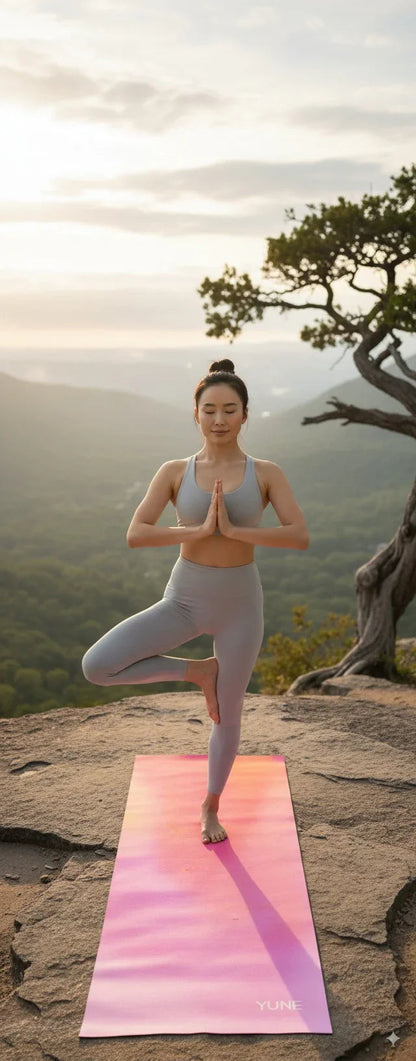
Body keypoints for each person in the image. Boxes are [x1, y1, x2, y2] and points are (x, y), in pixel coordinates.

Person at [81, 358, 309, 844]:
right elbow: (136, 534)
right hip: (183, 599)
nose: (220, 419)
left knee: (228, 713)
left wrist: (234, 530)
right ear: (196, 414)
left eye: (230, 409)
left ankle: (211, 805)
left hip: (240, 606)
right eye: (210, 410)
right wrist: (199, 530)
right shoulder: (174, 471)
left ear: (245, 414)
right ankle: (196, 671)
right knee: (98, 666)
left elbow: (298, 536)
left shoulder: (265, 472)